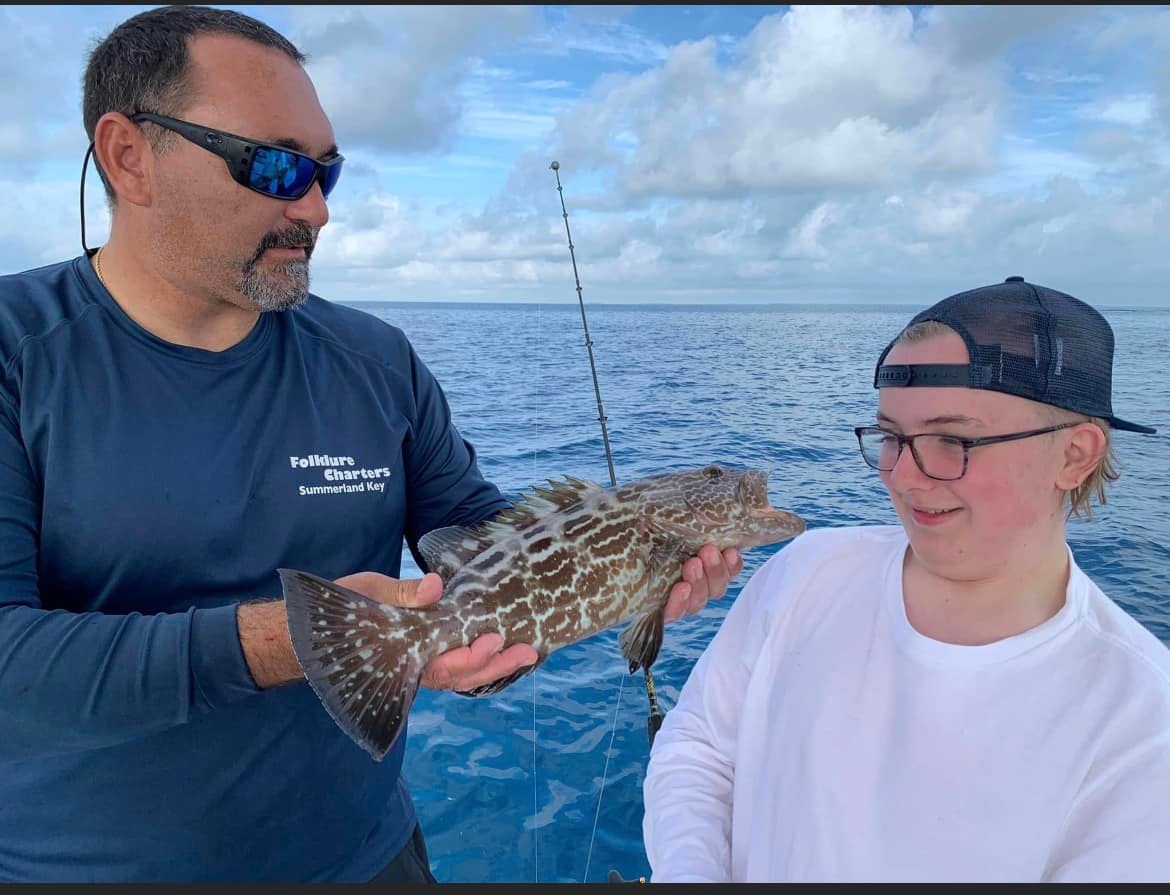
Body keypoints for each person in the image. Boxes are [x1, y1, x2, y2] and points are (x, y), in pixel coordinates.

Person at [0, 5, 744, 884]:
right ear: (129, 156)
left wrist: (613, 574)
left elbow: (477, 537)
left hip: (368, 858)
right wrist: (297, 640)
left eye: (327, 172)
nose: (314, 208)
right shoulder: (19, 350)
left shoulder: (376, 360)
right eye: (275, 165)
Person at [642, 276, 1170, 883]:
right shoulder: (806, 570)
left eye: (953, 440)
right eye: (891, 437)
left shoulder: (1141, 721)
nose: (903, 475)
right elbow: (699, 750)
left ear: (1076, 455)